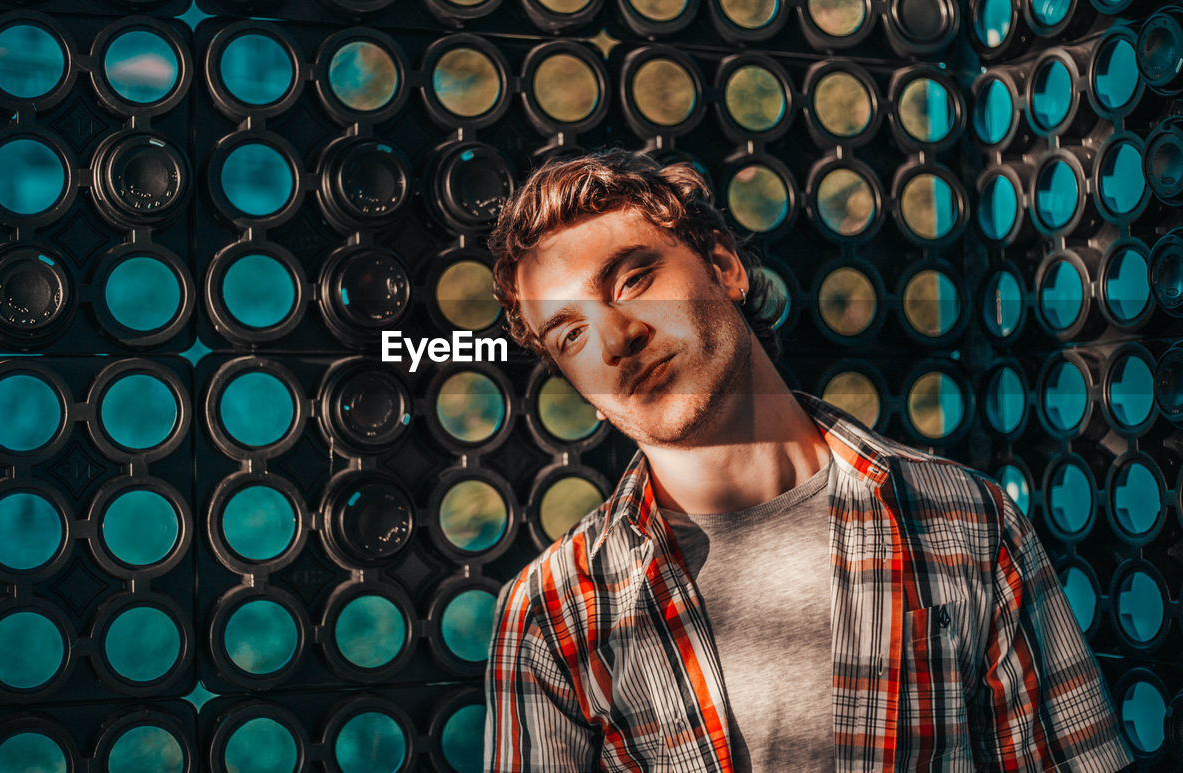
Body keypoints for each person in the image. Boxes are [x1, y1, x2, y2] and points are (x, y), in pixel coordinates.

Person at [481, 148, 1132, 772]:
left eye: (633, 278)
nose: (617, 337)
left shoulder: (966, 519)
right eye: (571, 334)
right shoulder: (551, 611)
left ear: (724, 265)